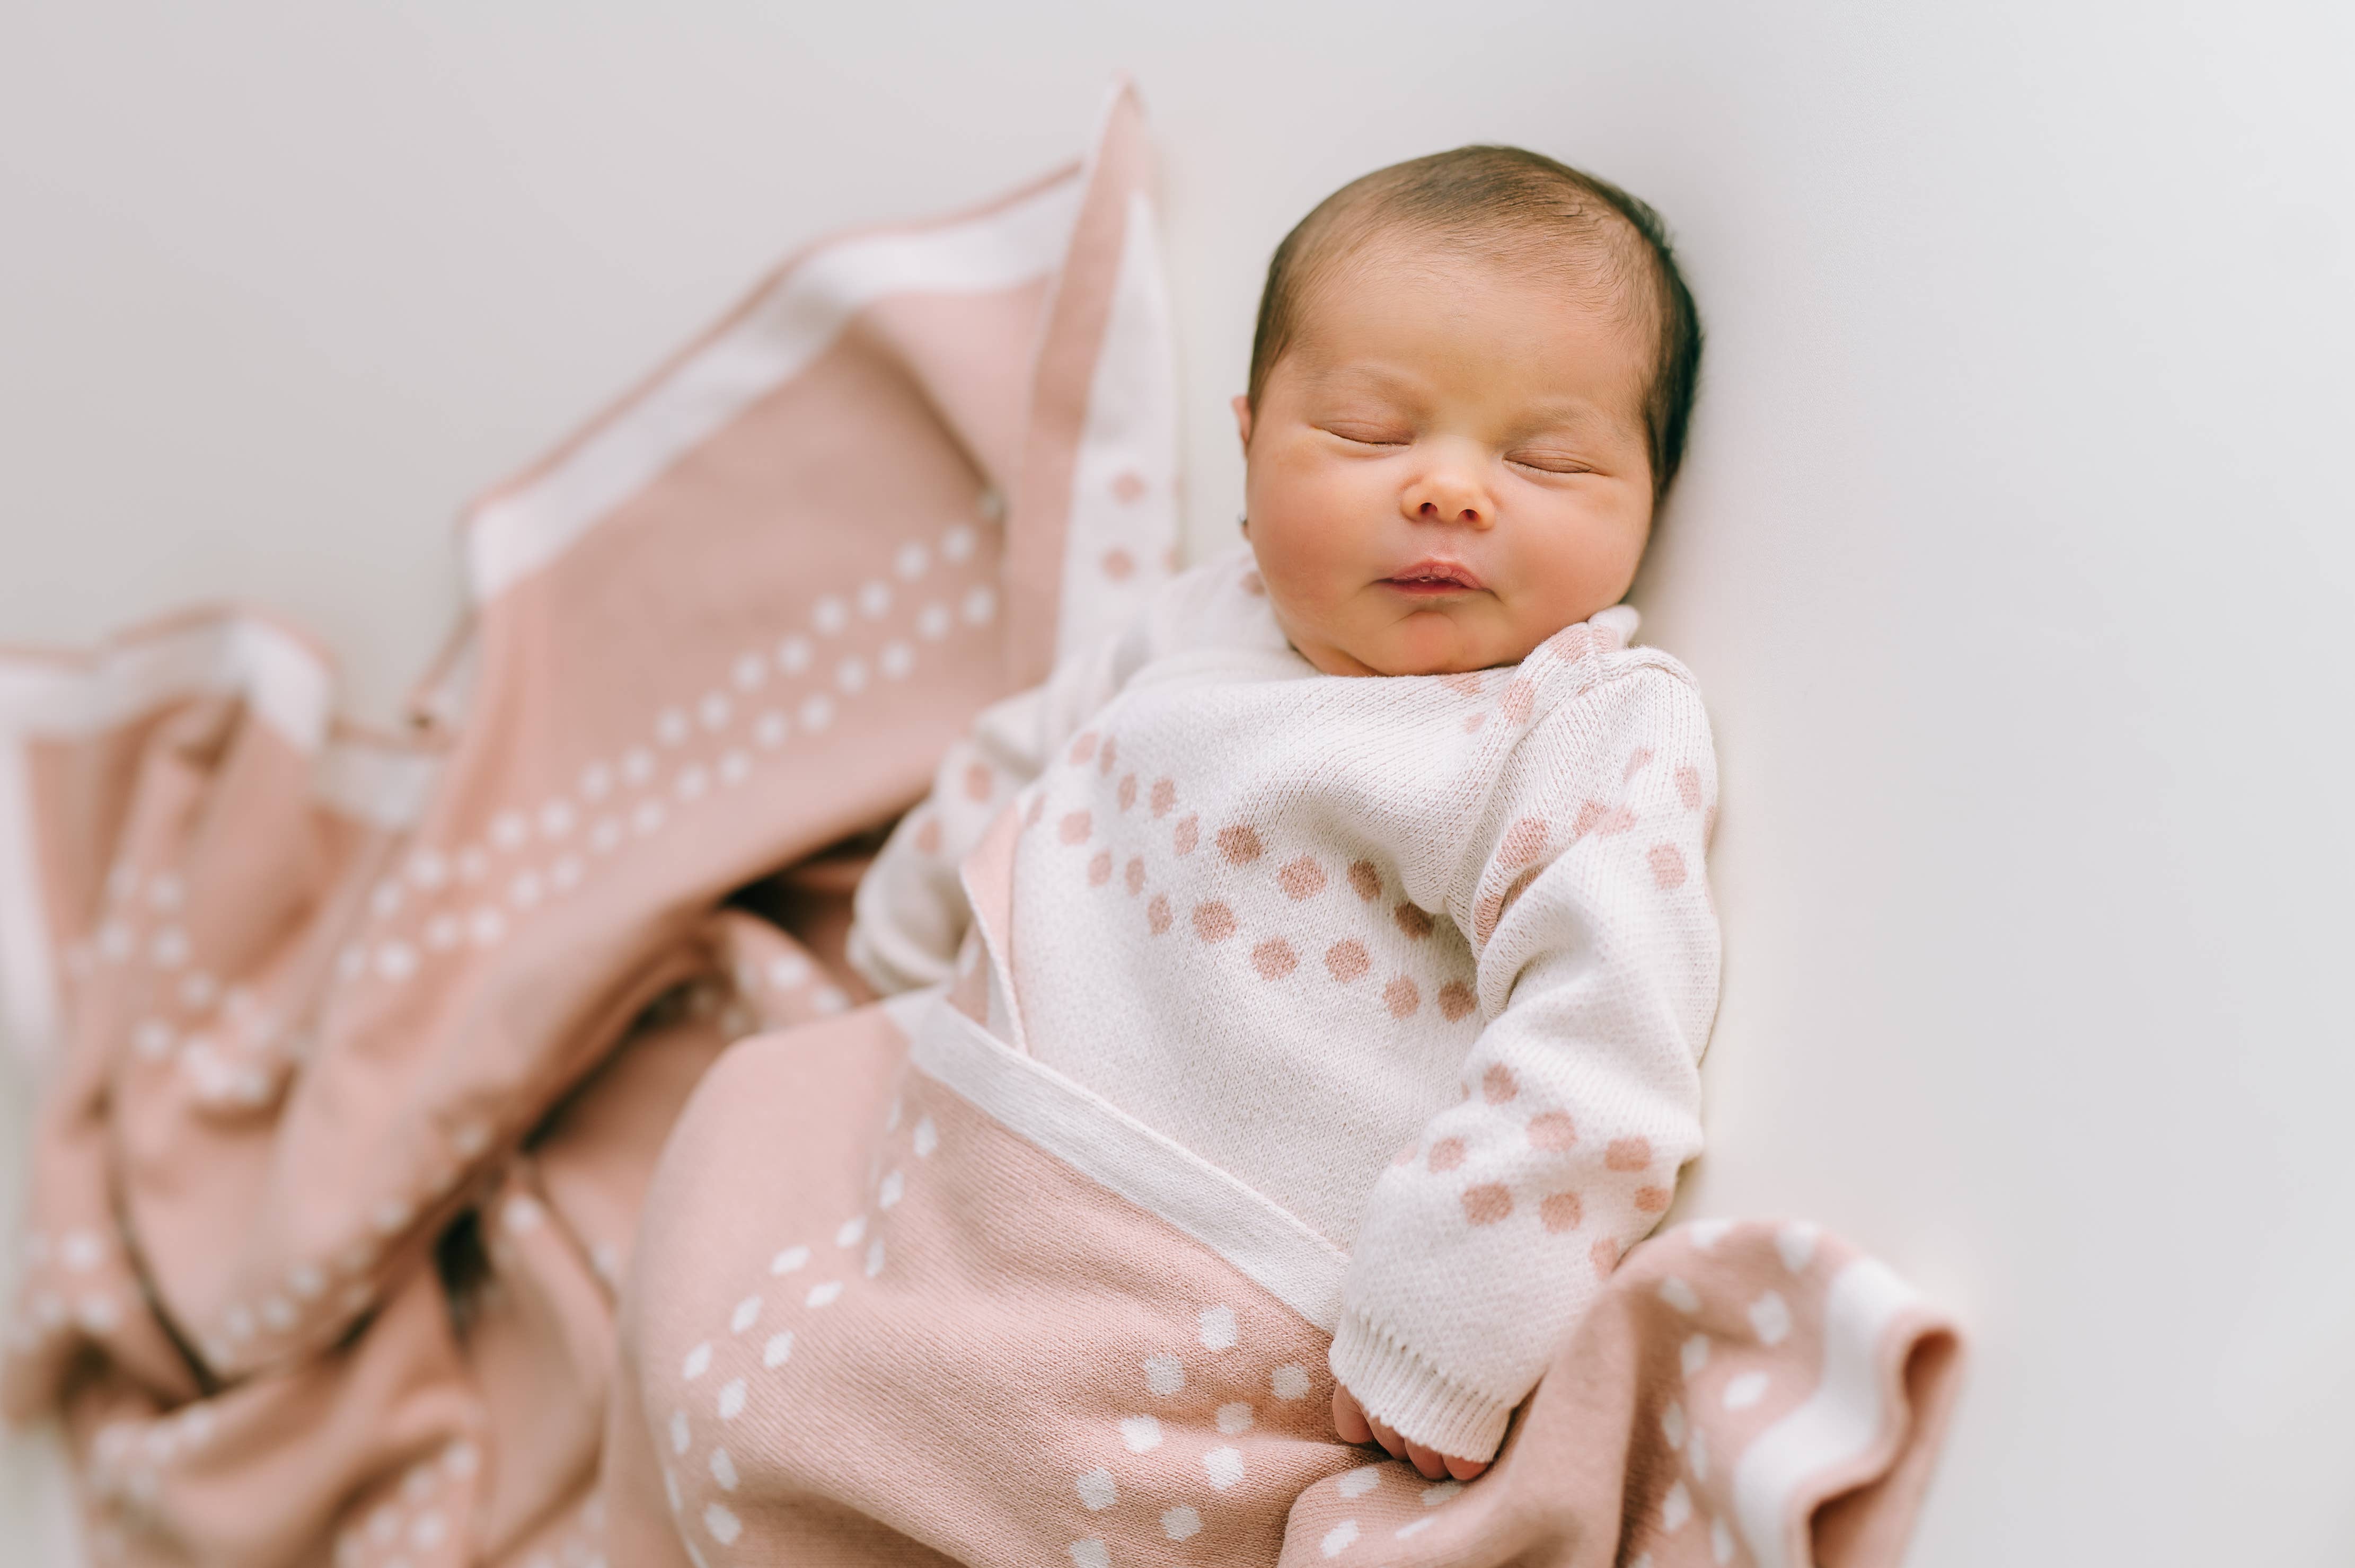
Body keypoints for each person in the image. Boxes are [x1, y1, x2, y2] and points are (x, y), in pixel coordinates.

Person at [848, 145, 1718, 1482]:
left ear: (1651, 496)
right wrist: (898, 958)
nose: (1449, 488)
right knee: (754, 1208)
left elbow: (1604, 1032)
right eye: (1369, 434)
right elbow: (1019, 760)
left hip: (1219, 1281)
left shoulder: (1571, 725)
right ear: (1250, 447)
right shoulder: (1206, 619)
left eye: (1546, 460)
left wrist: (1447, 1323)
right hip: (979, 1142)